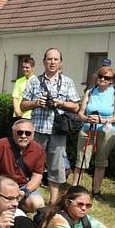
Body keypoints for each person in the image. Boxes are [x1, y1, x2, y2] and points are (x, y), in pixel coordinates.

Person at [19, 47, 80, 203]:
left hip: (57, 130)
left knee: (56, 168)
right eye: (49, 59)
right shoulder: (34, 81)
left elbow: (76, 106)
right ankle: (29, 197)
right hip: (37, 130)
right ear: (44, 61)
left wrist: (61, 103)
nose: (52, 62)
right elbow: (22, 105)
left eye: (55, 59)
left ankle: (52, 203)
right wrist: (36, 103)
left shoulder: (67, 82)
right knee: (30, 165)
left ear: (60, 62)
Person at [73, 65, 115, 197]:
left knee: (101, 162)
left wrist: (101, 120)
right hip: (87, 129)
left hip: (106, 131)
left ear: (112, 80)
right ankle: (75, 190)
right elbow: (80, 113)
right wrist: (87, 118)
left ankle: (96, 191)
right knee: (81, 161)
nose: (103, 79)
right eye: (100, 76)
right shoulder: (90, 91)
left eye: (107, 77)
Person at [0, 118, 45, 212]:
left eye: (28, 133)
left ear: (33, 134)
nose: (23, 136)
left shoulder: (39, 150)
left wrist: (25, 191)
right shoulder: (0, 145)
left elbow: (37, 175)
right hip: (0, 186)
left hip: (22, 188)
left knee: (38, 203)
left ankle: (19, 209)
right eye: (20, 132)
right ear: (13, 133)